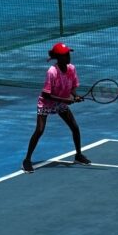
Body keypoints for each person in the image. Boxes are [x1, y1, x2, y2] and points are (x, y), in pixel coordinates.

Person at [22, 43, 90, 173]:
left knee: (75, 127)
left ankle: (78, 156)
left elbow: (72, 87)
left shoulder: (71, 69)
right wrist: (66, 100)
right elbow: (46, 94)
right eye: (66, 55)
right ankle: (27, 160)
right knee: (40, 130)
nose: (69, 56)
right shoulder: (52, 72)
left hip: (60, 102)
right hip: (47, 102)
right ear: (59, 57)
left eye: (69, 54)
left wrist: (75, 96)